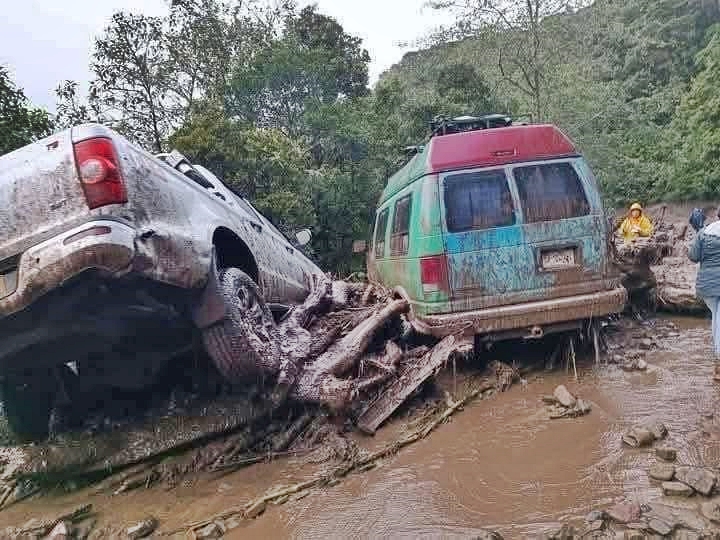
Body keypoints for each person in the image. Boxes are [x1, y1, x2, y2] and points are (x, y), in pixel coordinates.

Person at [688, 207, 720, 381]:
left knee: (717, 317)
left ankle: (718, 364)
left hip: (707, 285)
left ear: (717, 215)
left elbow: (693, 256)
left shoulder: (704, 232)